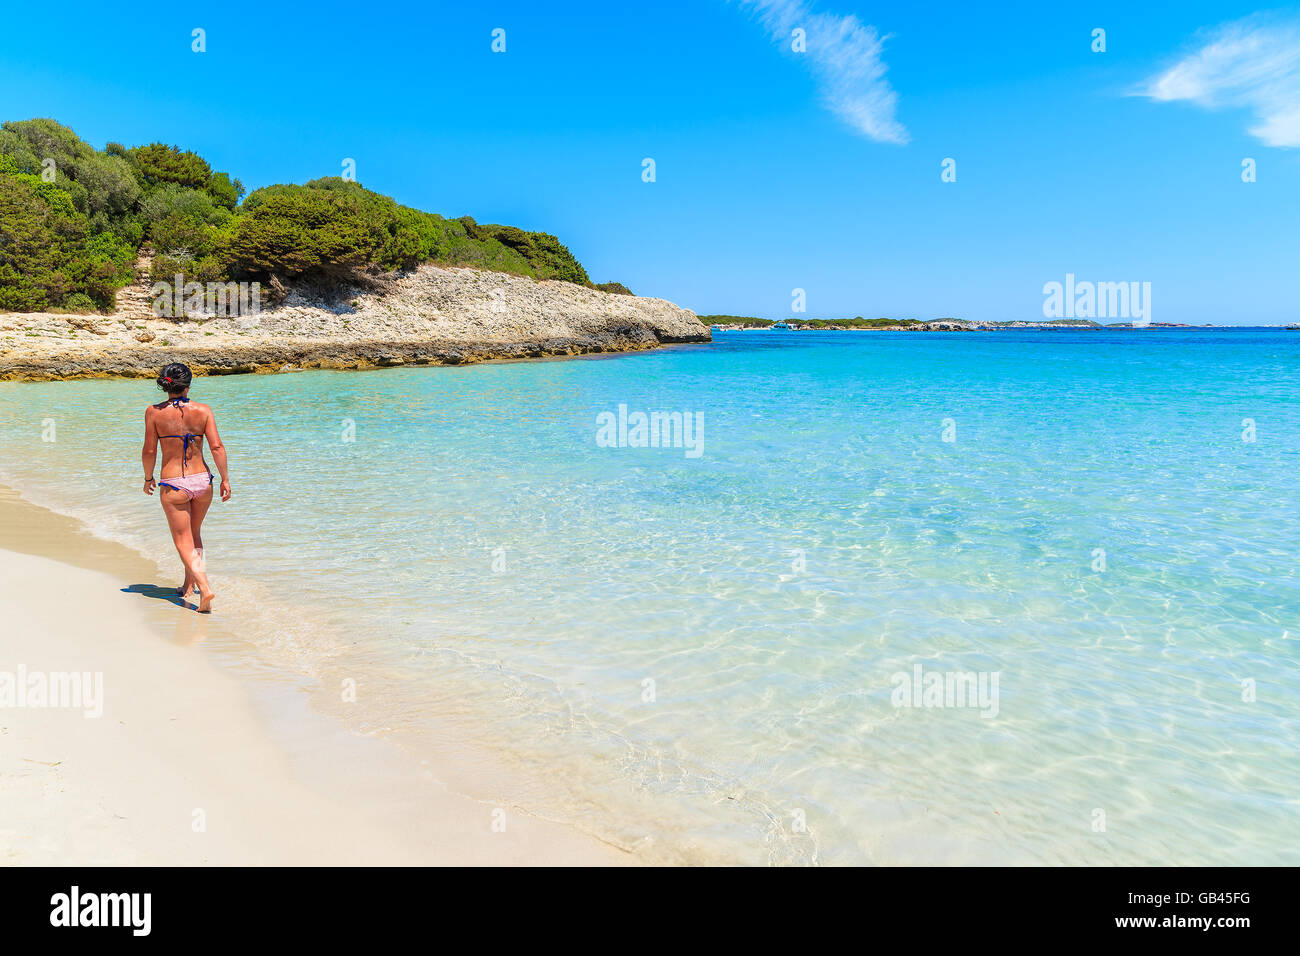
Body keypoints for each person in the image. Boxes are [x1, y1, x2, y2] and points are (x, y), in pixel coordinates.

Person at [141, 362, 230, 612]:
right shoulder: (203, 410)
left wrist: (148, 478)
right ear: (188, 386)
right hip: (203, 481)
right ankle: (189, 586)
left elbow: (149, 450)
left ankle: (205, 586)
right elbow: (217, 447)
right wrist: (225, 479)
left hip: (174, 484)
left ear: (165, 386)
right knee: (195, 533)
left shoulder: (153, 412)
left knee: (182, 539)